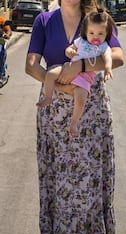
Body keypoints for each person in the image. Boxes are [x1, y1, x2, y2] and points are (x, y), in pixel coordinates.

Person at [25, 0, 126, 234]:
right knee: (59, 179)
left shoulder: (95, 19)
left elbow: (118, 57)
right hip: (54, 110)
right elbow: (31, 65)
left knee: (90, 180)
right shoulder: (44, 20)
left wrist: (82, 66)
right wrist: (61, 86)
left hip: (92, 110)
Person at [36, 7, 116, 137]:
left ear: (106, 34)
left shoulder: (103, 46)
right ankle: (48, 97)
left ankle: (74, 122)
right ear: (86, 31)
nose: (95, 37)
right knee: (50, 74)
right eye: (92, 33)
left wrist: (108, 68)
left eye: (100, 34)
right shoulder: (81, 41)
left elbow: (108, 57)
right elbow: (69, 49)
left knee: (80, 97)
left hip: (84, 76)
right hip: (68, 67)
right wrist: (70, 51)